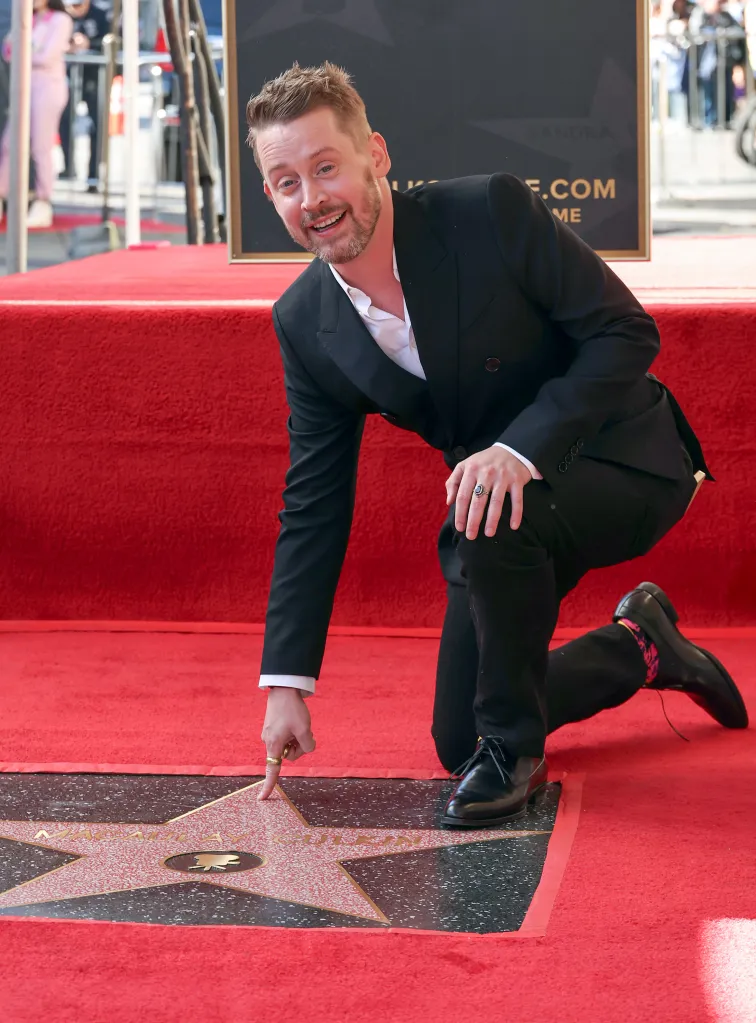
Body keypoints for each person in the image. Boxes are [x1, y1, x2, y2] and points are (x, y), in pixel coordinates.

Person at [248, 62, 748, 828]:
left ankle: (519, 756)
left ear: (375, 155)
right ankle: (643, 645)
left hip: (626, 461)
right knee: (458, 738)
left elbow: (626, 332)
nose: (311, 199)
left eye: (325, 168)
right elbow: (314, 502)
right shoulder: (304, 322)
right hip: (498, 515)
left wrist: (521, 447)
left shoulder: (487, 211)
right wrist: (288, 680)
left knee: (498, 689)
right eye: (286, 182)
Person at [0, 0, 72, 227]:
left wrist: (23, 52)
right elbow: (8, 52)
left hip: (48, 88)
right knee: (9, 143)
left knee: (41, 146)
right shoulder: (27, 19)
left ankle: (43, 200)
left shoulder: (61, 20)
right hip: (25, 87)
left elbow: (47, 55)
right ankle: (2, 194)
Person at [58, 0, 112, 190]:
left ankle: (93, 177)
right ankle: (68, 168)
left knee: (96, 125)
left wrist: (90, 44)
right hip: (66, 76)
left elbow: (113, 42)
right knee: (65, 123)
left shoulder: (102, 14)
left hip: (94, 77)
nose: (76, 9)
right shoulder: (60, 15)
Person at [689, 0, 746, 126]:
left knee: (726, 92)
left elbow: (736, 31)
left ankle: (724, 119)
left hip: (724, 62)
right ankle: (710, 120)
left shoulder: (726, 16)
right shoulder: (701, 15)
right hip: (707, 64)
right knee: (709, 94)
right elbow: (697, 34)